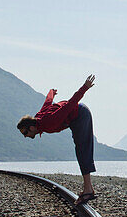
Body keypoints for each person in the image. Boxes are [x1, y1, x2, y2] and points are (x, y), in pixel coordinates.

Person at [17, 75, 98, 204]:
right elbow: (47, 103)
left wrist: (85, 87)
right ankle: (88, 188)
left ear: (31, 127)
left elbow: (69, 105)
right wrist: (52, 93)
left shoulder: (48, 122)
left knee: (82, 150)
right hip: (76, 118)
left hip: (80, 114)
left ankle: (88, 189)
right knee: (81, 150)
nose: (26, 136)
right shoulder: (39, 118)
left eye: (25, 132)